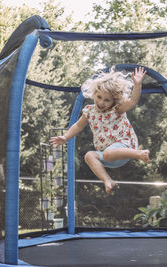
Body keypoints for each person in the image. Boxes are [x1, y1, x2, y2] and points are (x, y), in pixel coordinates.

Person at [49, 66, 150, 194]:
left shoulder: (117, 109)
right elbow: (78, 126)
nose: (101, 102)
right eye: (99, 97)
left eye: (107, 100)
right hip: (108, 156)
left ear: (114, 100)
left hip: (123, 146)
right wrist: (65, 137)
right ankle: (108, 181)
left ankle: (138, 154)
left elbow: (133, 101)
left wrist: (137, 84)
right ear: (94, 94)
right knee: (89, 156)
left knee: (108, 153)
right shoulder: (89, 111)